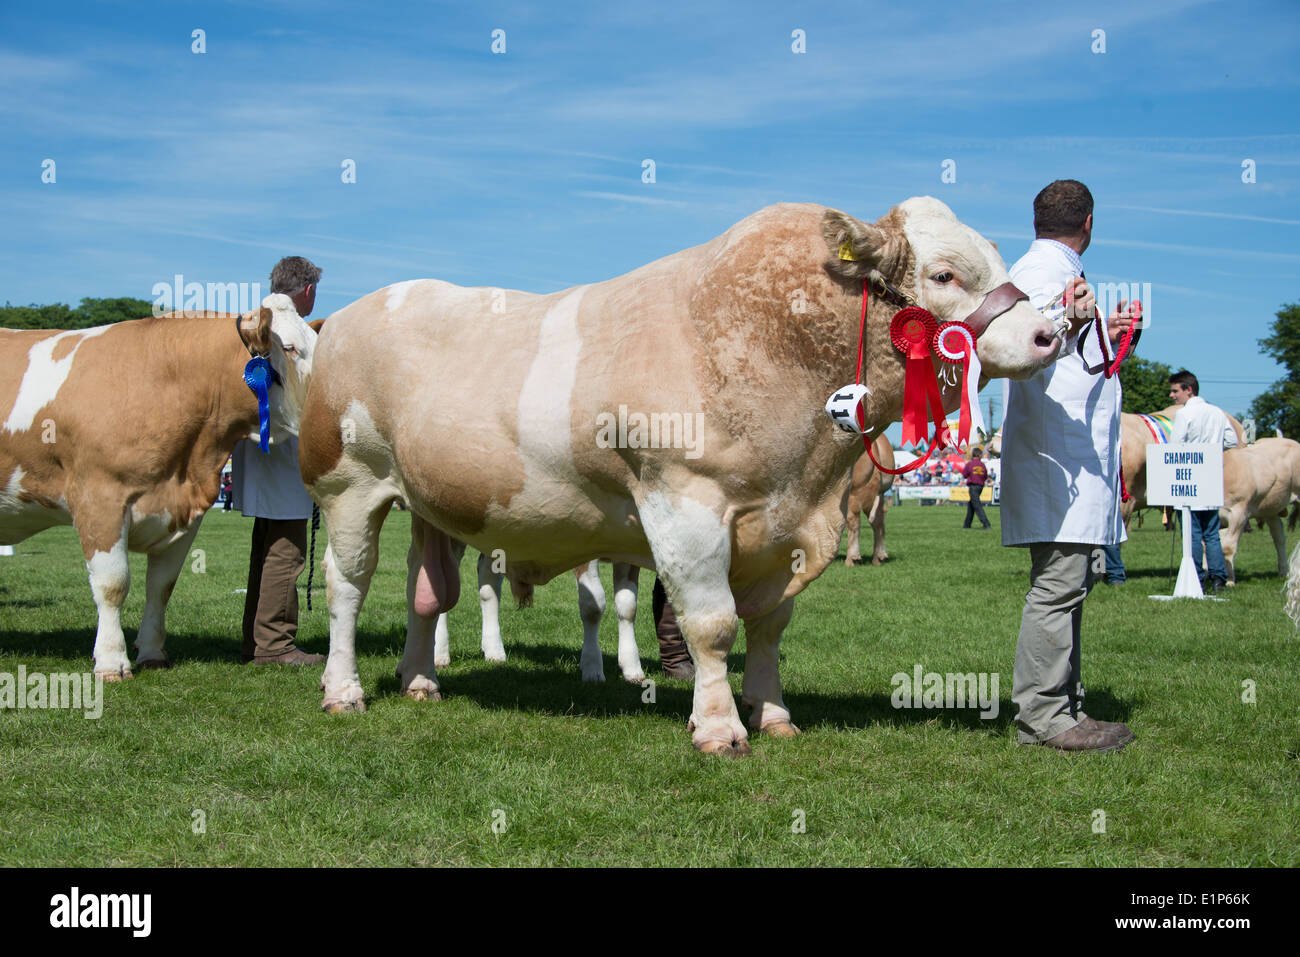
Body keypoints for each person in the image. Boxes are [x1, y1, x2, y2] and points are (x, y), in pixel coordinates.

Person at [1001, 179, 1137, 753]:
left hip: (1064, 457)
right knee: (1058, 585)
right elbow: (1028, 349)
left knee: (1069, 582)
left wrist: (1104, 332)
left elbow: (1066, 353)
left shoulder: (1045, 270)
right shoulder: (1041, 275)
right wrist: (1075, 324)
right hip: (1057, 457)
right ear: (1088, 222)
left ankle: (1064, 703)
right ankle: (1045, 715)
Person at [231, 256, 325, 666]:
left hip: (257, 445)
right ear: (307, 290)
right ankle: (275, 645)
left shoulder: (249, 321)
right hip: (286, 447)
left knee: (266, 545)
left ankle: (255, 638)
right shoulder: (297, 330)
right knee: (287, 547)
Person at [1168, 369, 1238, 593]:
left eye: (1175, 391)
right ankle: (1218, 578)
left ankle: (1196, 576)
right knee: (1212, 532)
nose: (1172, 396)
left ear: (1189, 390)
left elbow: (1175, 446)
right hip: (1211, 476)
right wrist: (1214, 451)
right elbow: (1231, 440)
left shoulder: (1184, 415)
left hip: (1189, 477)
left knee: (1192, 532)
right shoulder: (1217, 412)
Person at [961, 448, 992, 529]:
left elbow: (964, 474)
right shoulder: (982, 465)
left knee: (977, 506)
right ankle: (967, 525)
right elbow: (985, 476)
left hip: (973, 486)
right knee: (971, 505)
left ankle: (986, 523)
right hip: (980, 486)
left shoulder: (970, 464)